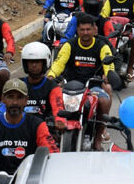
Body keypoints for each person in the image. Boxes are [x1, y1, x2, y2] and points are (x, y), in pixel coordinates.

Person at [48, 13, 116, 150]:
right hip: (69, 87)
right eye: (82, 30)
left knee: (104, 100)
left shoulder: (102, 46)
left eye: (88, 29)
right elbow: (59, 62)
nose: (85, 33)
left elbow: (109, 65)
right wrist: (51, 75)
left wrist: (108, 74)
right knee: (51, 98)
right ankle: (52, 133)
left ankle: (98, 137)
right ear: (77, 31)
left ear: (94, 30)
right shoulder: (69, 45)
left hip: (92, 87)